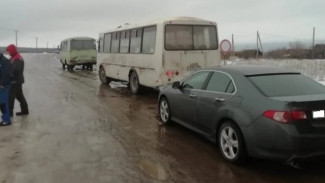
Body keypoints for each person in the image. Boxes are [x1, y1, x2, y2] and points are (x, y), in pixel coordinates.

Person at [6, 44, 29, 116]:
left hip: (15, 82)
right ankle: (25, 111)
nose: (8, 53)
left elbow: (14, 71)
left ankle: (9, 114)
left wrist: (7, 75)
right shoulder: (13, 57)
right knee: (19, 96)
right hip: (16, 81)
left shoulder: (17, 59)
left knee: (10, 98)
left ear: (12, 51)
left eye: (9, 51)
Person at [0, 53, 11, 126]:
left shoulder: (4, 61)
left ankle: (6, 120)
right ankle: (5, 118)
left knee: (4, 103)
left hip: (4, 86)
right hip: (2, 85)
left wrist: (2, 83)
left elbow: (6, 74)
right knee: (2, 103)